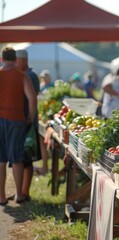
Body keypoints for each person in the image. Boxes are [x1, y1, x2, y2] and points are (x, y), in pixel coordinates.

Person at [0, 47, 37, 204]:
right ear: (15, 59)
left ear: (2, 59)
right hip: (16, 119)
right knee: (16, 159)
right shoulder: (22, 76)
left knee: (0, 159)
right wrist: (30, 116)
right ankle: (18, 195)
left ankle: (1, 197)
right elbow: (32, 98)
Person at [15, 49, 41, 201]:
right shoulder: (20, 75)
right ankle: (21, 190)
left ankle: (25, 191)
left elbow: (32, 97)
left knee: (28, 157)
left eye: (17, 60)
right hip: (20, 121)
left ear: (24, 60)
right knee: (20, 158)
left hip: (29, 123)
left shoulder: (31, 76)